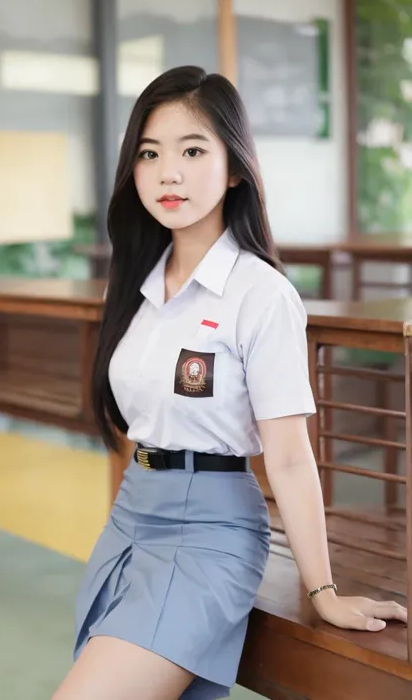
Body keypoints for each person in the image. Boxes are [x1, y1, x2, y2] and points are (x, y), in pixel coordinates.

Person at [52, 66, 407, 700]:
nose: (169, 173)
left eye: (193, 151)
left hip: (210, 535)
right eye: (150, 154)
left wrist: (321, 589)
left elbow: (291, 458)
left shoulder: (260, 294)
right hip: (130, 519)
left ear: (235, 167)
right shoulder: (134, 282)